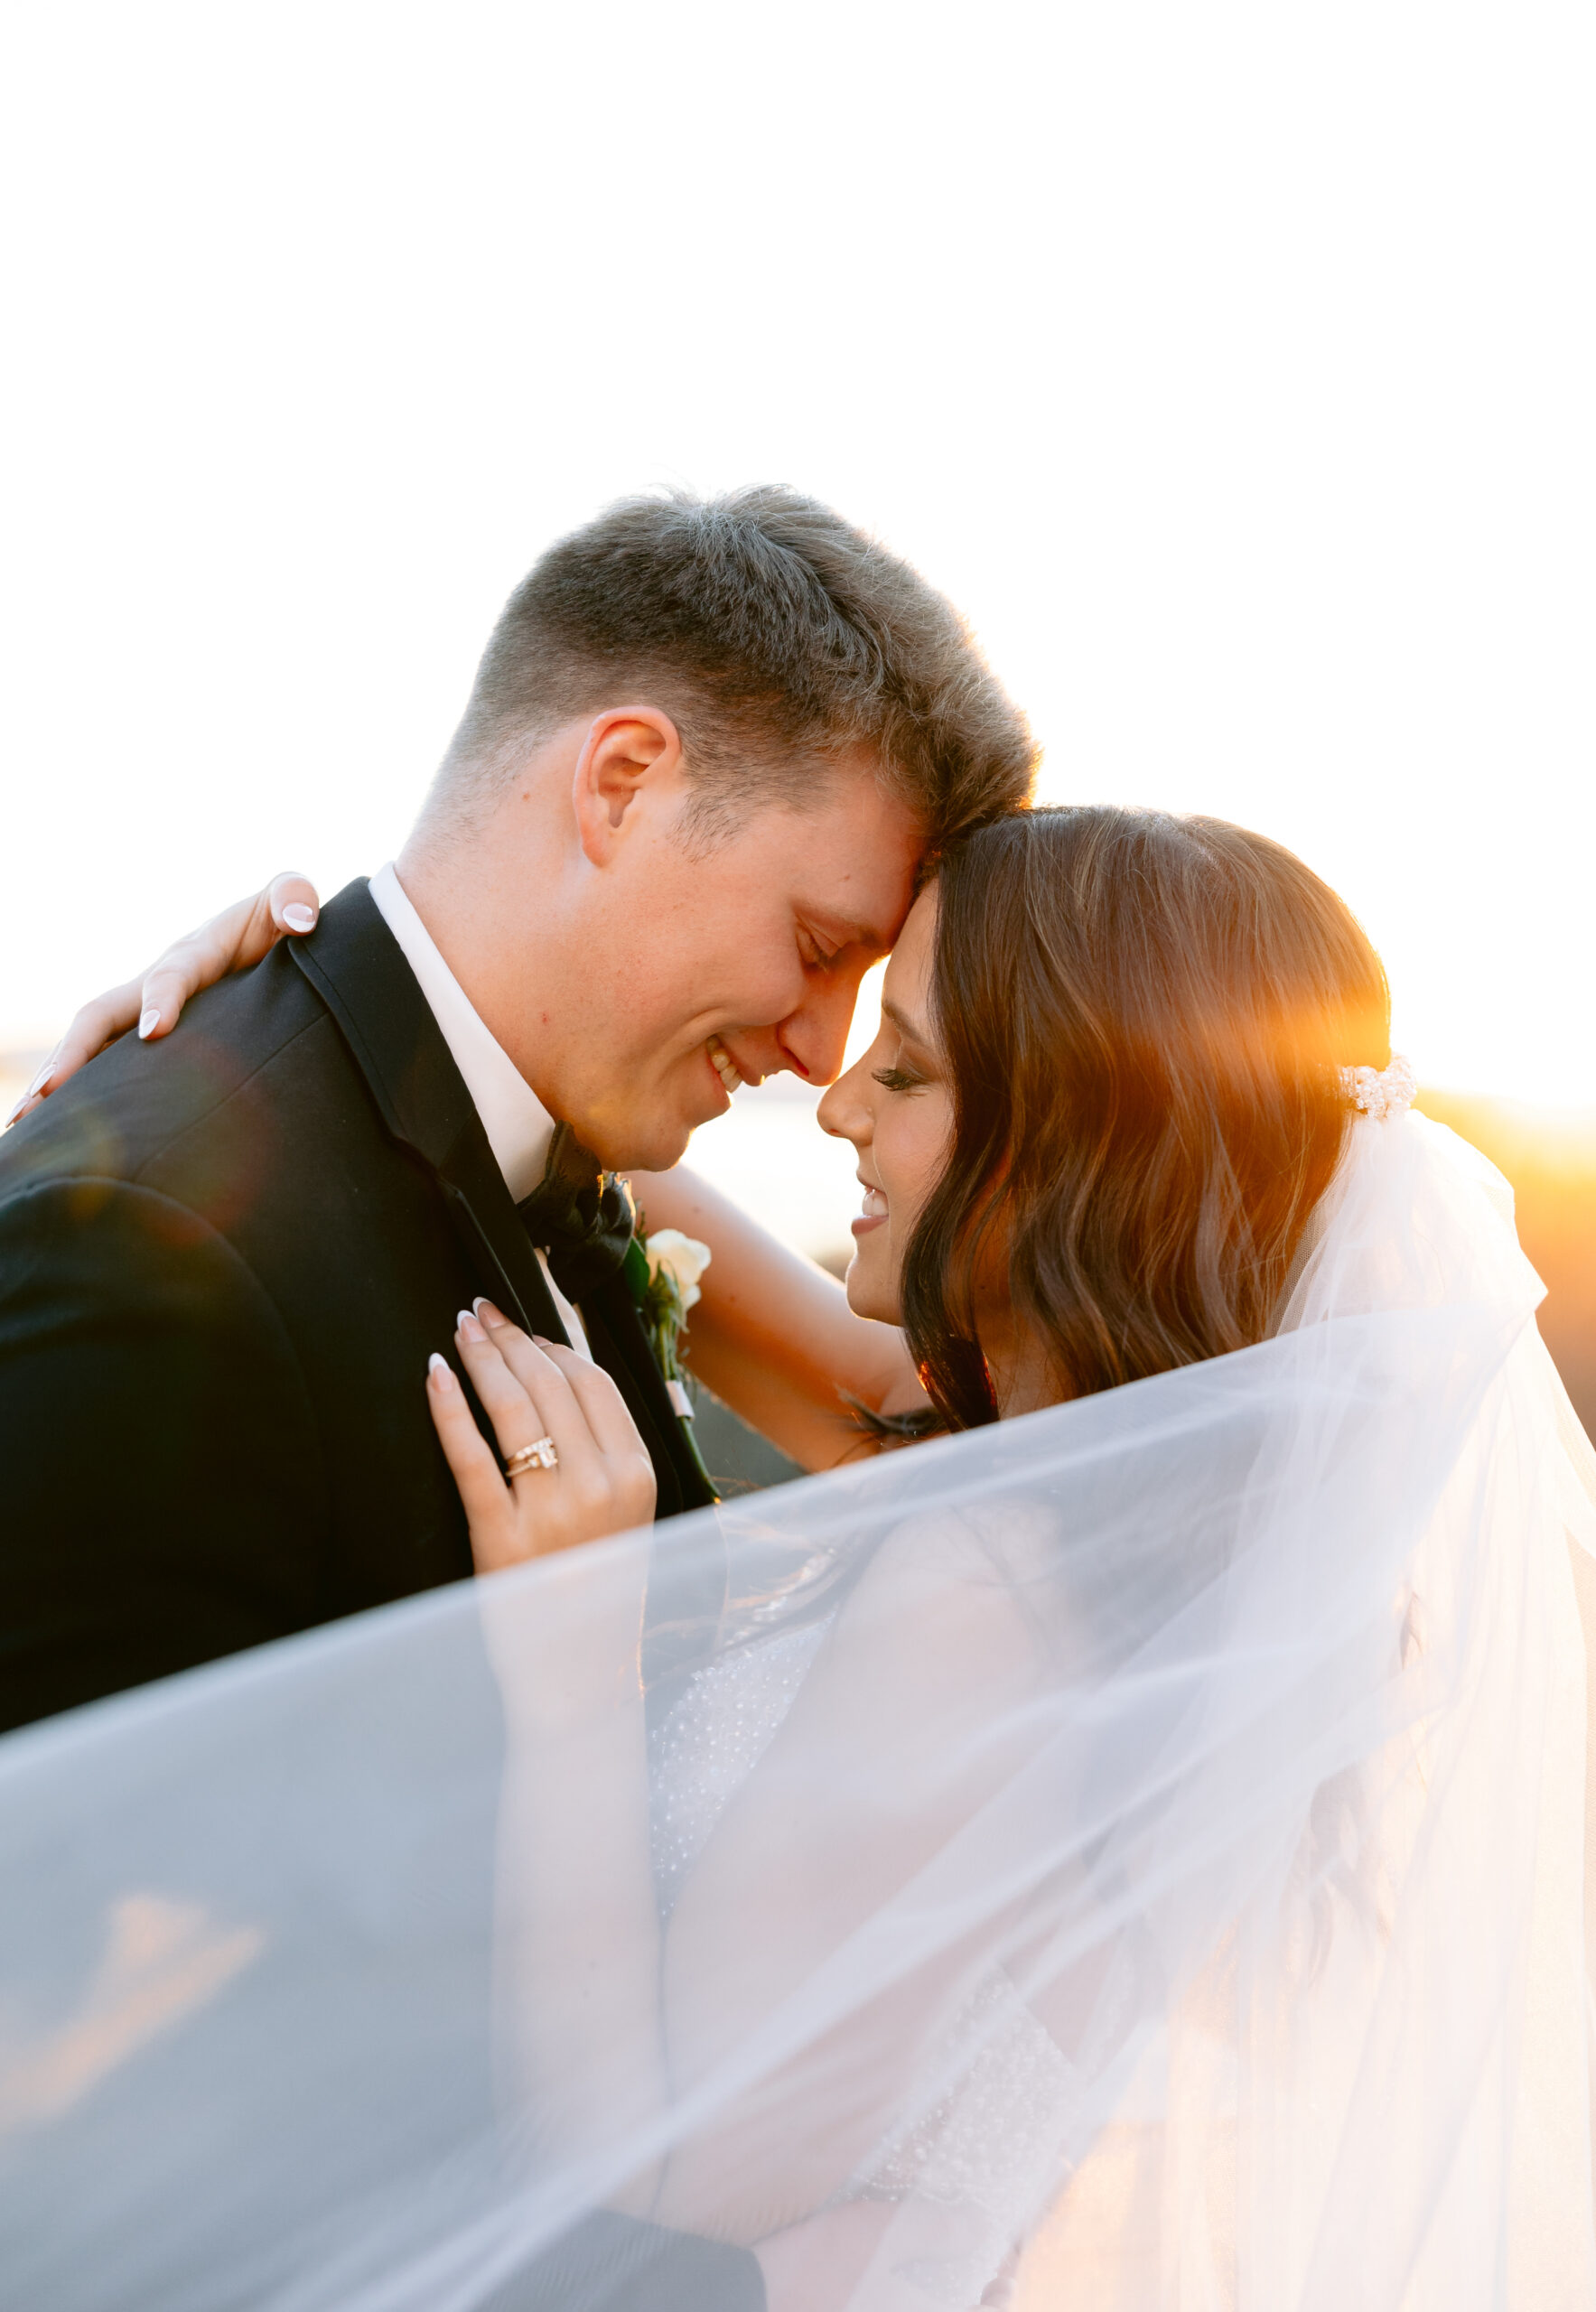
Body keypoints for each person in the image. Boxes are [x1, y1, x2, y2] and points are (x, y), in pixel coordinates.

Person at [8, 806, 1591, 2309]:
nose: (833, 1099)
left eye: (903, 1069)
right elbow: (564, 1112)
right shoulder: (1129, 1502)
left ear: (1060, 1147)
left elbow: (671, 2167)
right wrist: (312, 1017)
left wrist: (578, 1662)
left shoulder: (993, 1578)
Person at [0, 486, 1032, 1737]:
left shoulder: (554, 1141)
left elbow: (933, 1431)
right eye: (817, 945)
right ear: (622, 783)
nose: (824, 1058)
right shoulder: (148, 1258)